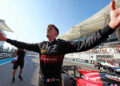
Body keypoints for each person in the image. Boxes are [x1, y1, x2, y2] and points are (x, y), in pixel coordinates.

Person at [0, 0, 120, 86]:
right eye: (47, 28)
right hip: (41, 82)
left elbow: (87, 43)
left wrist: (110, 27)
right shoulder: (41, 45)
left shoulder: (63, 44)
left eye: (50, 28)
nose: (47, 29)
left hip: (56, 83)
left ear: (56, 33)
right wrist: (6, 40)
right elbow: (23, 44)